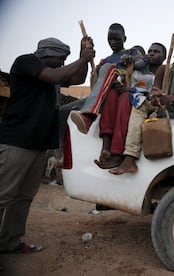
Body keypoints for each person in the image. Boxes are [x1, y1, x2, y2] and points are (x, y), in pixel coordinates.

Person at [0, 36, 94, 253]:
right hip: (17, 142)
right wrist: (81, 59)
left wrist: (83, 55)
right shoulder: (27, 62)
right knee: (4, 195)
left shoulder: (53, 71)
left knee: (23, 197)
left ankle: (9, 242)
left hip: (38, 145)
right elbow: (54, 76)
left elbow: (77, 78)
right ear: (47, 53)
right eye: (60, 59)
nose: (62, 64)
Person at [109, 36, 174, 186]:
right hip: (163, 103)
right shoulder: (164, 68)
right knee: (140, 103)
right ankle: (130, 157)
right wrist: (155, 96)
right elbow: (155, 90)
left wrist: (169, 98)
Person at [70, 23, 141, 165]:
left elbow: (141, 64)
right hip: (111, 93)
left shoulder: (132, 53)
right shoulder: (105, 60)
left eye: (116, 39)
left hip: (128, 91)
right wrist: (88, 56)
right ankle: (106, 149)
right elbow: (95, 84)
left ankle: (88, 116)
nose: (113, 43)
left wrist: (129, 65)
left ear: (124, 38)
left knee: (110, 71)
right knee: (110, 96)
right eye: (110, 39)